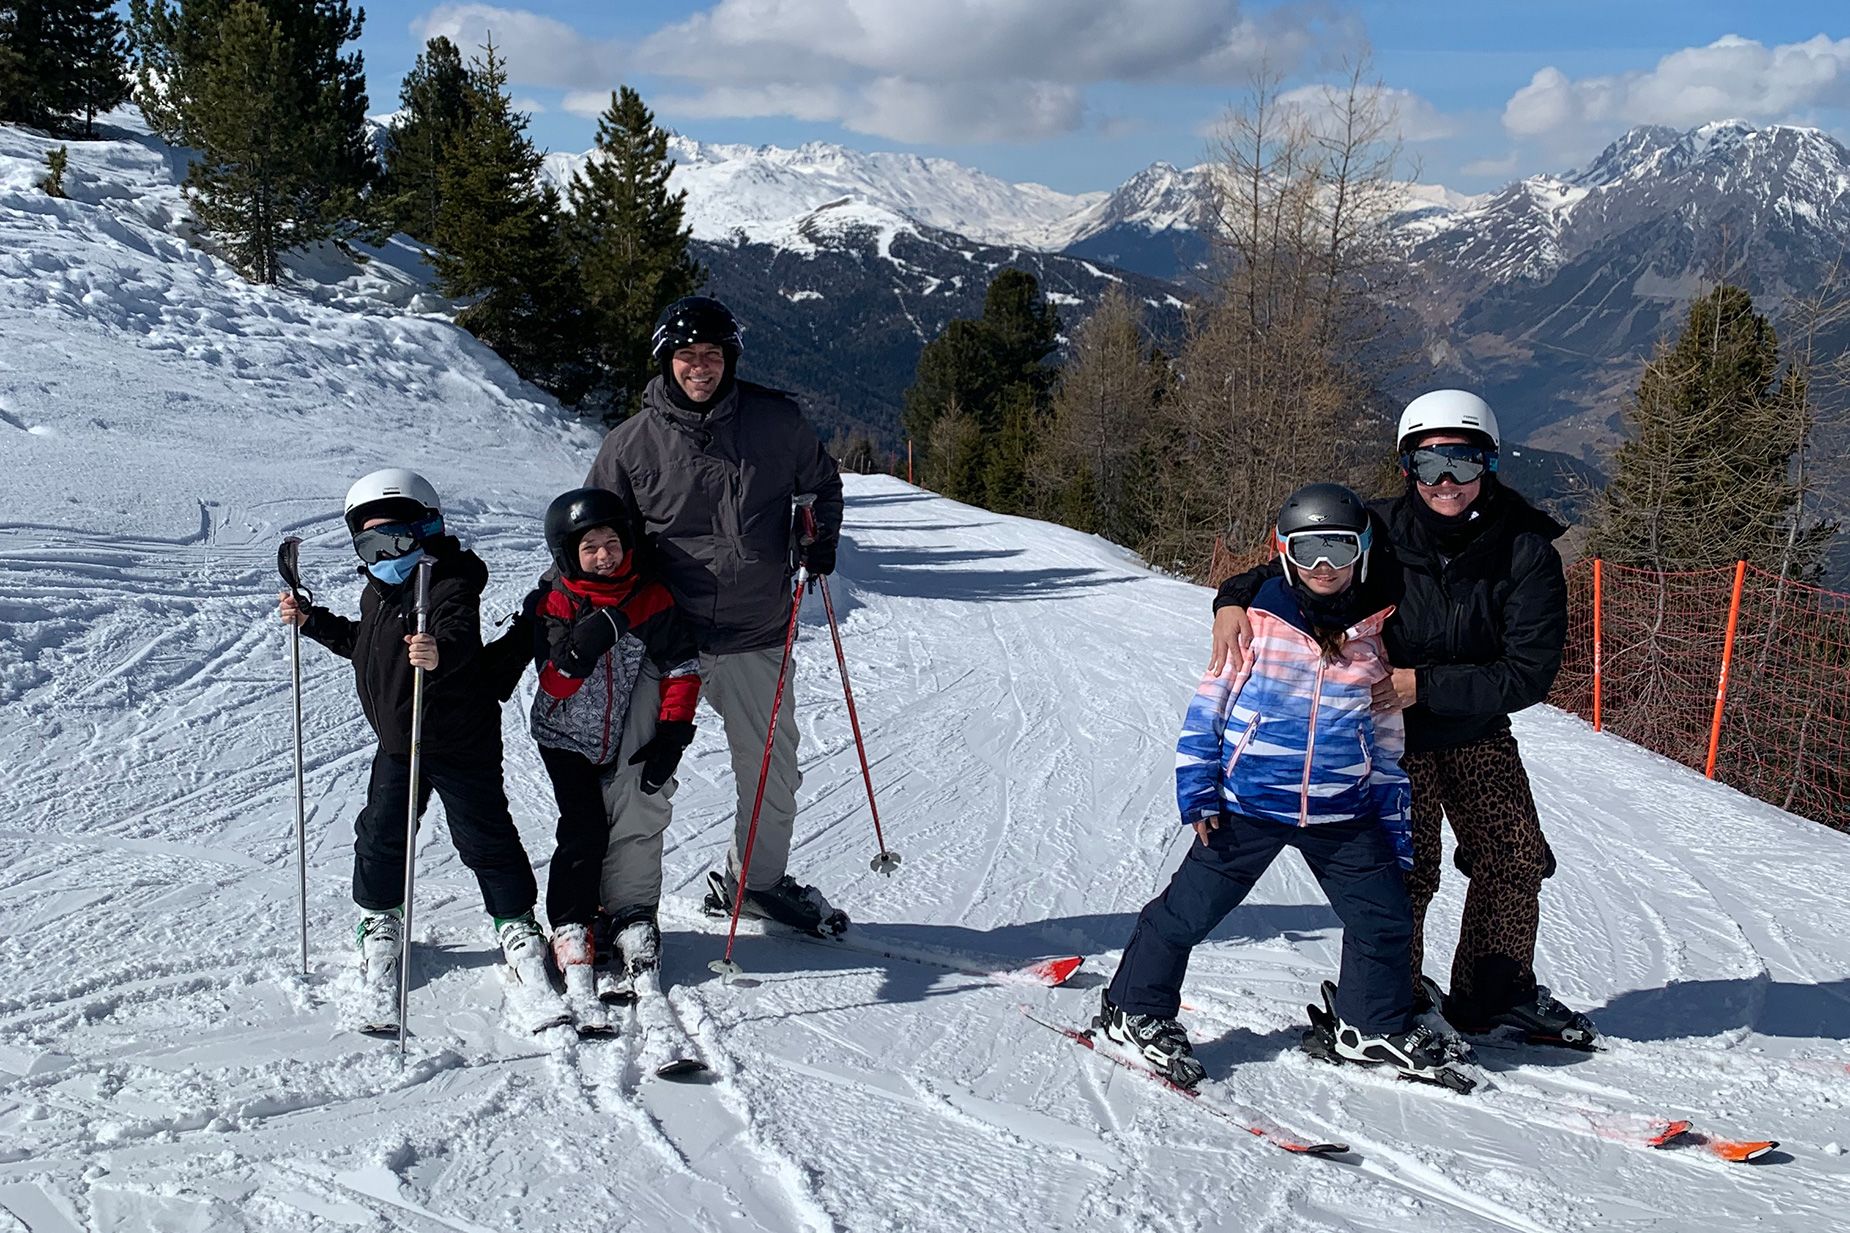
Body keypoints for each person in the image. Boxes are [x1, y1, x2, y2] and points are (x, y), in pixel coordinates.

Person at [1209, 391, 1595, 1046]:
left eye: (1464, 463)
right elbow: (1286, 570)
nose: (1447, 481)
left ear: (1490, 465)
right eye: (1430, 463)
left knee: (1516, 857)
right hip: (1389, 738)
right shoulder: (1377, 532)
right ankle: (1390, 997)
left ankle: (1492, 994)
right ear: (1407, 467)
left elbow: (1529, 672)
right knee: (1405, 870)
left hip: (1473, 727)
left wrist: (1425, 684)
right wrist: (1230, 602)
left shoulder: (1525, 551)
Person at [1101, 484, 1470, 1090]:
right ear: (1284, 552)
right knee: (1186, 913)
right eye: (1308, 551)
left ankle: (1367, 1022)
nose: (1324, 566)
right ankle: (1133, 1009)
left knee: (1384, 919)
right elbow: (1208, 708)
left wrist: (1392, 818)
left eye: (1339, 549)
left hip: (1343, 813)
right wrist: (1198, 788)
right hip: (1249, 806)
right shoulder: (1255, 625)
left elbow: (1384, 742)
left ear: (1364, 550)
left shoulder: (1376, 634)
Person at [584, 295, 848, 936]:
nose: (698, 366)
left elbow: (822, 484)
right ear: (665, 361)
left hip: (757, 631)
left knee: (772, 773)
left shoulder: (776, 423)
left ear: (728, 358)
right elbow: (592, 539)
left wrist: (819, 537)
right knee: (642, 773)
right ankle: (629, 907)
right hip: (665, 638)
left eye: (711, 354)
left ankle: (754, 884)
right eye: (685, 355)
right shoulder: (630, 446)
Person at [277, 468, 547, 1004]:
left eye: (393, 539)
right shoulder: (379, 591)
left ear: (427, 530)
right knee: (381, 833)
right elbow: (362, 643)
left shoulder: (447, 582)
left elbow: (457, 632)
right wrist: (312, 622)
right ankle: (380, 919)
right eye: (369, 543)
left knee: (483, 834)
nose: (382, 555)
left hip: (458, 740)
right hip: (400, 743)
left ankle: (516, 923)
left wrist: (440, 651)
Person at [524, 487, 702, 990]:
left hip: (614, 736)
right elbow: (554, 683)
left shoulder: (650, 596)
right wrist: (589, 636)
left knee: (621, 814)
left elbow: (682, 664)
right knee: (583, 828)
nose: (604, 557)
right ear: (568, 555)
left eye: (612, 543)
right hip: (563, 737)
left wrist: (673, 730)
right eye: (589, 548)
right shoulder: (556, 602)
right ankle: (570, 921)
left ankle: (621, 908)